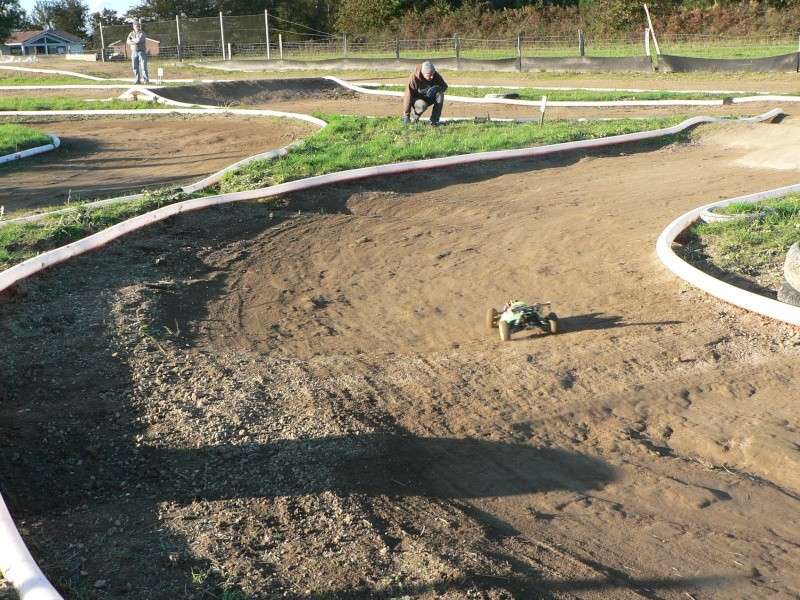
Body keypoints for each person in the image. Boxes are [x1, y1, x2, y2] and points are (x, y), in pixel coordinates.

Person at [403, 60, 448, 125]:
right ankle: (414, 118)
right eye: (429, 75)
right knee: (422, 105)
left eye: (433, 74)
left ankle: (434, 121)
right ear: (423, 73)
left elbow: (444, 86)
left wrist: (437, 88)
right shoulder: (413, 79)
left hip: (429, 98)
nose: (432, 77)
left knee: (440, 94)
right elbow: (408, 97)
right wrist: (406, 116)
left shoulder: (435, 75)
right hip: (417, 100)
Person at [127, 20, 149, 85]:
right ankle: (137, 80)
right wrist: (134, 40)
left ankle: (146, 80)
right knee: (135, 67)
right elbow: (128, 41)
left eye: (139, 26)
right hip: (133, 52)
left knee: (143, 67)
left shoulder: (142, 33)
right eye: (136, 26)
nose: (138, 27)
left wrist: (132, 40)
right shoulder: (131, 33)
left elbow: (139, 40)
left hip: (142, 52)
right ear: (133, 27)